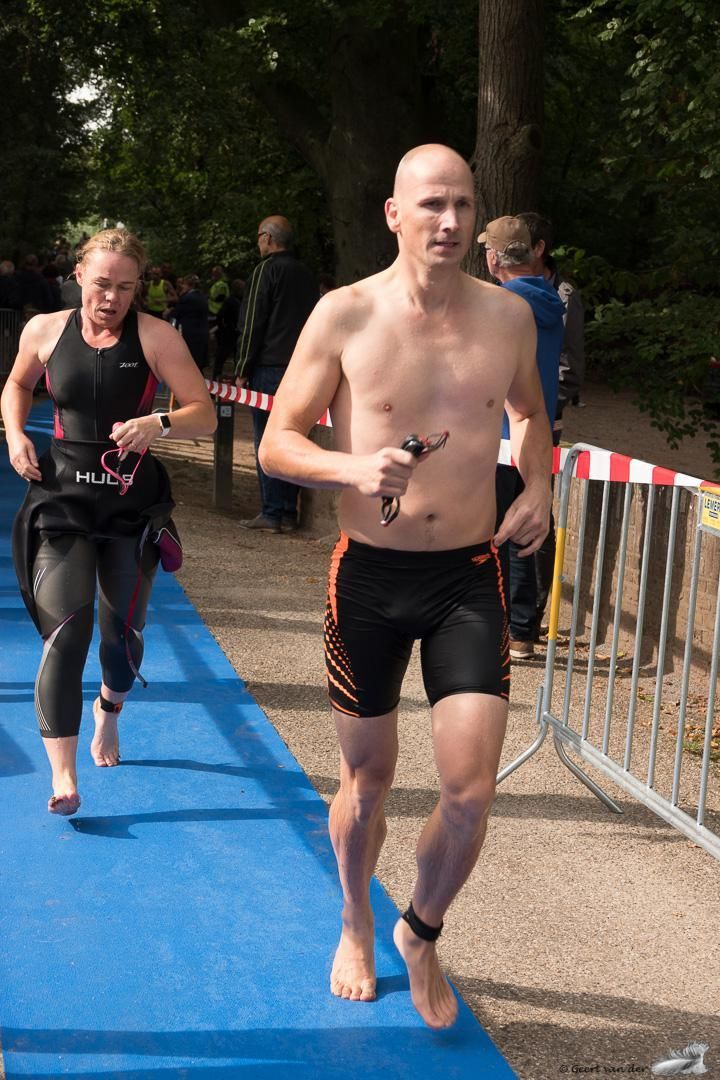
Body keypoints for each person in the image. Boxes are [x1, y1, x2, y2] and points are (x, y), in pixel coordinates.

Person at [259, 145, 552, 1029]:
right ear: (394, 213)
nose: (450, 222)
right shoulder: (344, 314)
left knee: (469, 793)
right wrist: (353, 464)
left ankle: (419, 930)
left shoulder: (508, 318)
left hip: (466, 577)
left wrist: (539, 485)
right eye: (430, 204)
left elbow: (532, 413)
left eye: (462, 204)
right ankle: (355, 916)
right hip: (370, 580)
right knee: (369, 782)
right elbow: (278, 441)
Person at [1, 227, 216, 817]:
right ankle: (64, 777)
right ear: (78, 276)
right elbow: (17, 384)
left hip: (129, 508)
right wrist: (17, 433)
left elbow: (205, 414)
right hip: (61, 502)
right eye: (101, 284)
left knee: (121, 640)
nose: (111, 298)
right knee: (66, 633)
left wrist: (159, 425)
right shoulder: (44, 329)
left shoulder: (156, 336)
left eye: (125, 287)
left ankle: (110, 711)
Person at [479, 215, 565, 659]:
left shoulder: (501, 303)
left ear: (494, 258)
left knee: (498, 533)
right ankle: (523, 629)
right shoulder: (551, 300)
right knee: (529, 531)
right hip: (536, 430)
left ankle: (501, 627)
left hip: (501, 432)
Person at [516, 212, 587, 632]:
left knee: (536, 506)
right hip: (500, 426)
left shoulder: (563, 295)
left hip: (543, 422)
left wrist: (543, 411)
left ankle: (528, 618)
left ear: (539, 248)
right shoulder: (502, 291)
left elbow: (569, 368)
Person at [234, 215, 319, 532]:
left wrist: (242, 367)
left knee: (266, 440)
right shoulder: (306, 274)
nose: (258, 242)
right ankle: (287, 511)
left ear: (268, 238)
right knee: (294, 437)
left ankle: (271, 511)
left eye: (259, 236)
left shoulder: (265, 271)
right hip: (302, 368)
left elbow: (253, 320)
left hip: (269, 368)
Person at [167, 273, 210, 371]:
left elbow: (176, 313)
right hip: (202, 333)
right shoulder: (202, 297)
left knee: (190, 363)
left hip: (191, 335)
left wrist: (169, 312)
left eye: (183, 284)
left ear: (188, 285)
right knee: (198, 364)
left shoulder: (187, 298)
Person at [212, 278, 244, 381]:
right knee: (221, 358)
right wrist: (224, 329)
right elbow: (220, 317)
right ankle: (215, 380)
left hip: (238, 334)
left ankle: (236, 381)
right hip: (229, 334)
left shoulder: (242, 300)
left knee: (237, 359)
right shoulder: (230, 301)